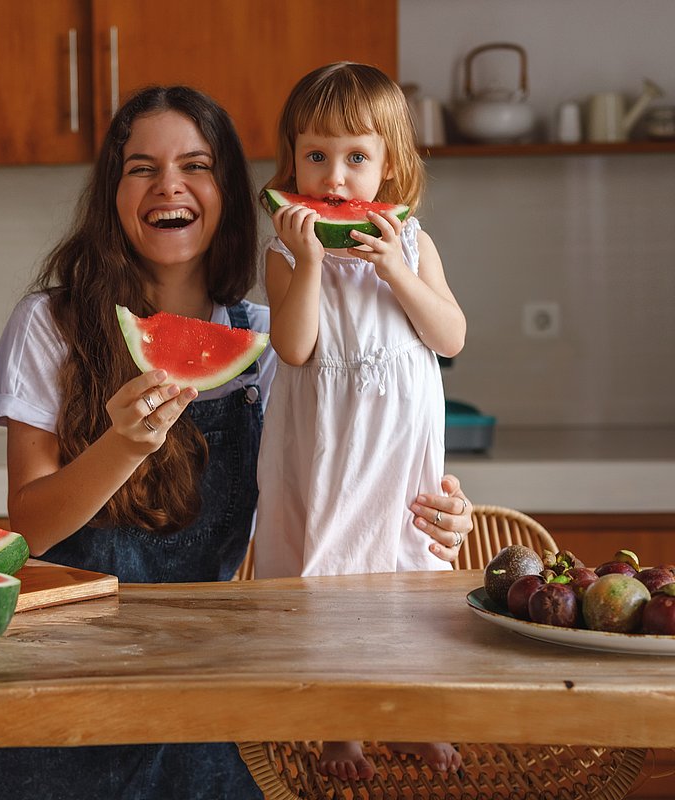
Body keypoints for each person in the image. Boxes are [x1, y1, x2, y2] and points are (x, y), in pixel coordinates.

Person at [0, 85, 472, 800]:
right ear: (113, 190)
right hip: (61, 699)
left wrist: (439, 514)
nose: (168, 185)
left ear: (229, 189)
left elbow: (340, 476)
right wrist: (124, 445)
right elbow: (29, 525)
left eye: (194, 165)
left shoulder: (273, 337)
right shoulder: (52, 324)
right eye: (141, 167)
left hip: (215, 707)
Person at [252, 62, 468, 781]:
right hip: (326, 462)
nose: (333, 178)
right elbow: (295, 344)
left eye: (355, 157)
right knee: (328, 577)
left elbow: (450, 336)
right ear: (293, 162)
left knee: (408, 578)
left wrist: (394, 272)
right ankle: (340, 728)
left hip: (398, 462)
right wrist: (312, 260)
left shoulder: (413, 245)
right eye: (316, 156)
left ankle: (414, 712)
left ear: (390, 166)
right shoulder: (284, 253)